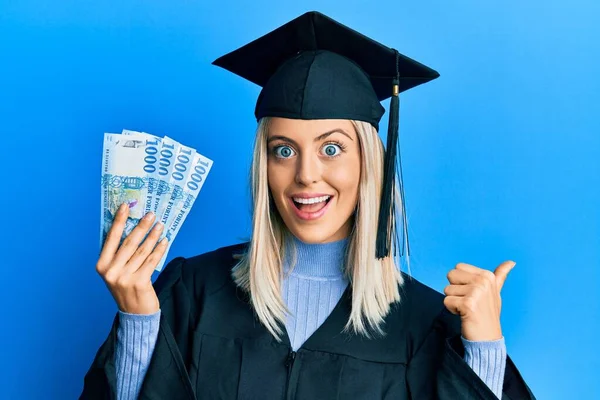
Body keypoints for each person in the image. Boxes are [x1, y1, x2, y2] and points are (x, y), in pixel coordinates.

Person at [80, 11, 536, 400]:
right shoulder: (192, 293)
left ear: (369, 163)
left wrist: (483, 348)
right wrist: (138, 319)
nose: (306, 175)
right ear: (264, 166)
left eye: (332, 148)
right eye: (283, 150)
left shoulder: (423, 323)